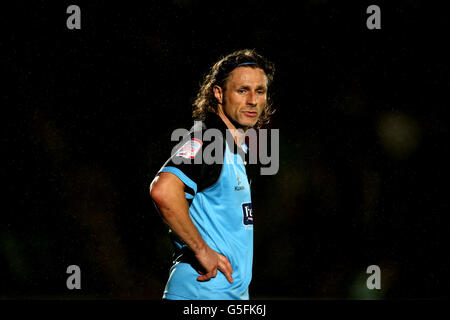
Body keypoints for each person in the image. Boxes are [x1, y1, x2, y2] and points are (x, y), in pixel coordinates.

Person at [149, 49, 275, 300]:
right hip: (200, 293)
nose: (252, 100)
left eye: (259, 91)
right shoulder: (209, 138)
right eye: (242, 90)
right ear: (218, 93)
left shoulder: (239, 148)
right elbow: (163, 190)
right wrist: (201, 250)